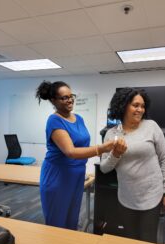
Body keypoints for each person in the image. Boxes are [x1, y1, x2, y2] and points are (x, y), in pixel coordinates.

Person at [36, 80, 115, 230]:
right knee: (57, 224)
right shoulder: (54, 120)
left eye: (71, 96)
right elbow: (70, 151)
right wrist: (102, 148)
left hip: (76, 176)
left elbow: (83, 145)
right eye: (64, 97)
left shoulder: (79, 118)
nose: (70, 99)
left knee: (71, 221)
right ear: (53, 100)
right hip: (58, 177)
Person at [100, 87, 165, 243]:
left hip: (152, 195)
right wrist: (116, 154)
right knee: (130, 240)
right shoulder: (111, 134)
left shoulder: (151, 127)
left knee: (147, 241)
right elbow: (104, 168)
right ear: (123, 106)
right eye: (135, 105)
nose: (140, 109)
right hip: (126, 197)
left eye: (142, 105)